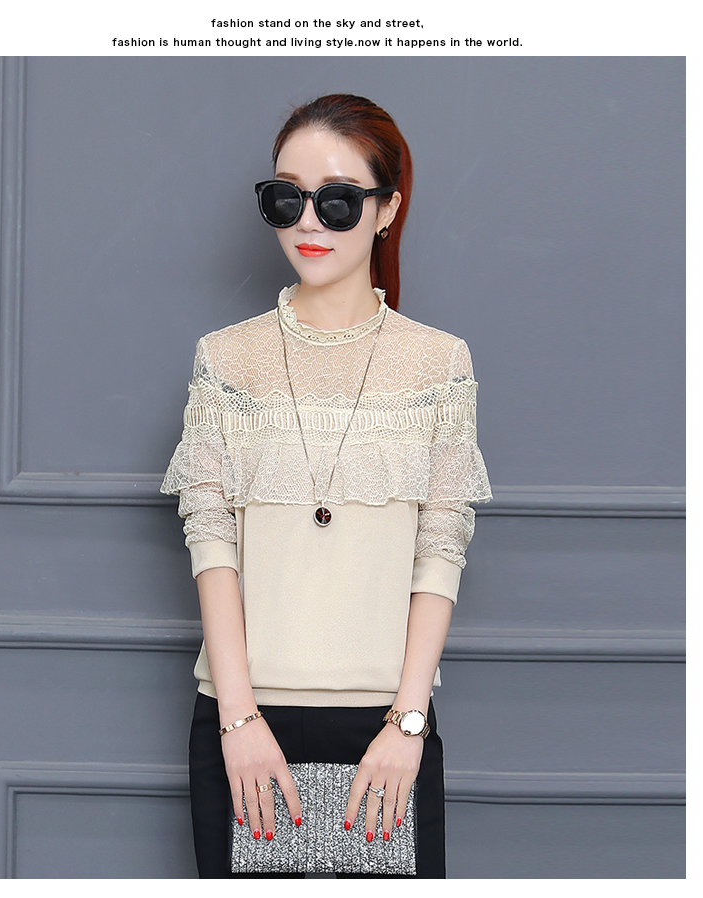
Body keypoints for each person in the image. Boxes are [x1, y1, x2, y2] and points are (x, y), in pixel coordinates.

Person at [161, 93, 491, 878]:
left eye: (338, 201)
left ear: (387, 210)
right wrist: (238, 719)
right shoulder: (224, 359)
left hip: (385, 729)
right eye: (288, 198)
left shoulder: (439, 362)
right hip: (244, 725)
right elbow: (211, 540)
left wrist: (407, 723)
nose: (308, 222)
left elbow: (441, 548)